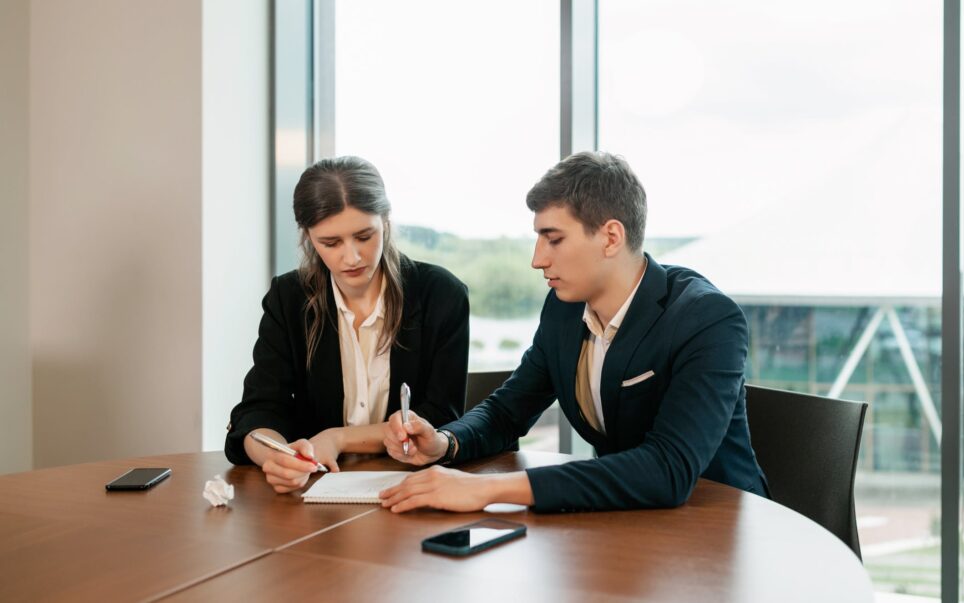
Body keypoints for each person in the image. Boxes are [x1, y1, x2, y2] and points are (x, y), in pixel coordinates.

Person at [380, 152, 768, 513]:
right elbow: (506, 412)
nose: (537, 259)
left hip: (720, 524)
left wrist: (489, 490)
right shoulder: (564, 309)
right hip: (625, 520)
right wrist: (444, 443)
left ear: (611, 237)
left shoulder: (706, 318)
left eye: (554, 239)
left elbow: (668, 469)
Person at [225, 156, 470, 493]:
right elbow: (257, 411)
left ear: (385, 221)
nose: (352, 257)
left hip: (414, 487)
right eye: (331, 243)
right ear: (308, 237)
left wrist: (338, 438)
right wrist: (274, 456)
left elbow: (441, 417)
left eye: (364, 236)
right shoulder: (289, 297)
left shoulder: (441, 294)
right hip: (317, 492)